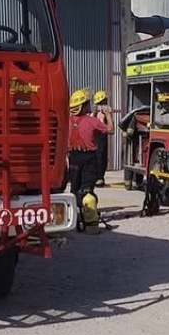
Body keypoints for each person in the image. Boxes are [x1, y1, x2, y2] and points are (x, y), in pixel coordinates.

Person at [67, 89, 114, 230]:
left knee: (74, 191)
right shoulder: (92, 121)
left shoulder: (67, 122)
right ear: (82, 106)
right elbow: (110, 129)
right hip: (88, 159)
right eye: (87, 103)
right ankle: (90, 225)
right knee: (88, 193)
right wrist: (108, 114)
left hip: (73, 157)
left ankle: (75, 223)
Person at [93, 89, 114, 187]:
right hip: (99, 139)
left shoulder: (95, 114)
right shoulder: (100, 114)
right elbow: (111, 130)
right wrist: (108, 115)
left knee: (101, 157)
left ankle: (99, 177)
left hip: (99, 139)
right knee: (100, 157)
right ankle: (99, 178)